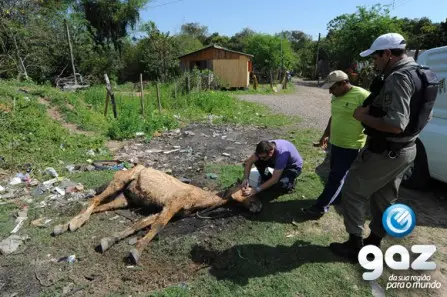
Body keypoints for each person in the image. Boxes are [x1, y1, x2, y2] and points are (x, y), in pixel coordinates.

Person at [329, 33, 439, 261]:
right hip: (407, 150)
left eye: (376, 57)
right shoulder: (422, 73)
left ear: (388, 54)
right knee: (385, 197)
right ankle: (374, 242)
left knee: (352, 190)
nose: (374, 62)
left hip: (386, 150)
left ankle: (354, 244)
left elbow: (395, 124)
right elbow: (425, 115)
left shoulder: (397, 78)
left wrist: (361, 116)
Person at [301, 70, 370, 219]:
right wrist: (325, 135)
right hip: (335, 143)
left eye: (333, 88)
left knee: (336, 177)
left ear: (344, 83)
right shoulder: (336, 97)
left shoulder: (363, 95)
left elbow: (374, 117)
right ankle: (336, 197)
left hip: (351, 146)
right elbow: (335, 116)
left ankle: (320, 207)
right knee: (335, 173)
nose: (330, 92)